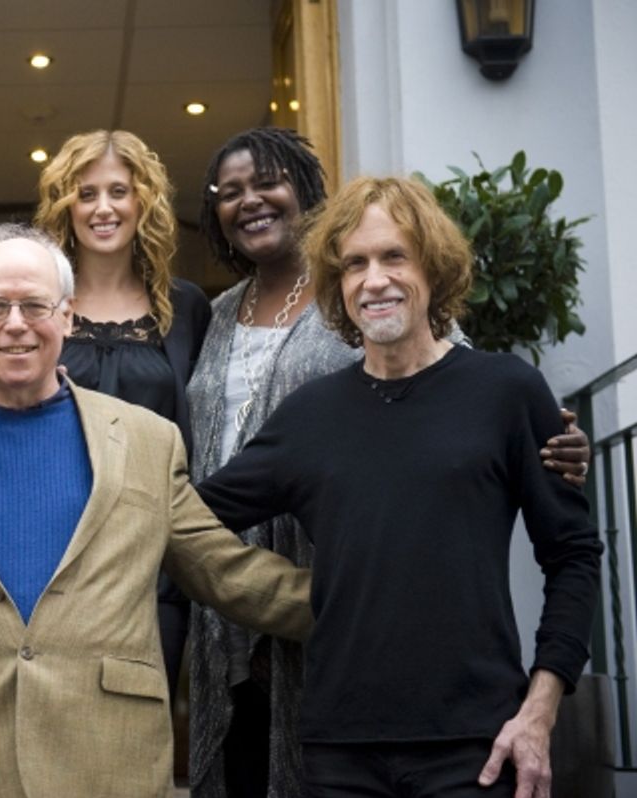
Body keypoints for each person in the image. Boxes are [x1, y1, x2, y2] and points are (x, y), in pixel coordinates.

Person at [185, 127, 592, 798]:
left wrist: (540, 711)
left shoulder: (505, 392)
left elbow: (574, 555)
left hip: (479, 745)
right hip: (337, 753)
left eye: (394, 257)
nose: (375, 281)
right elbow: (192, 512)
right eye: (353, 264)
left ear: (432, 267)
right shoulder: (312, 416)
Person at [0, 223, 313, 797]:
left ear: (66, 315)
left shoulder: (144, 440)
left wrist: (363, 605)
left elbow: (225, 572)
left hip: (108, 758)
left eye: (34, 305)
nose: (15, 324)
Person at [33, 129, 210, 691]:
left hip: (154, 564)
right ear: (65, 206)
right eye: (86, 194)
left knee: (137, 731)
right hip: (50, 556)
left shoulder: (185, 308)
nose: (102, 208)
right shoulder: (37, 303)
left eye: (118, 191)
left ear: (144, 202)